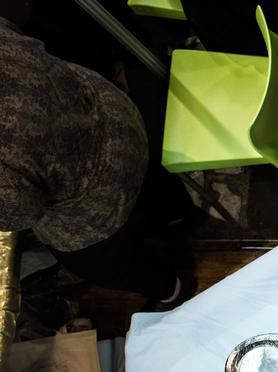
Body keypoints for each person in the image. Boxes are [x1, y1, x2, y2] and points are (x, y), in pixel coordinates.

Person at [0, 15, 195, 308]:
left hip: (97, 188)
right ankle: (181, 218)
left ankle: (173, 288)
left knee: (92, 260)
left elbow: (21, 213)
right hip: (110, 108)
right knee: (150, 179)